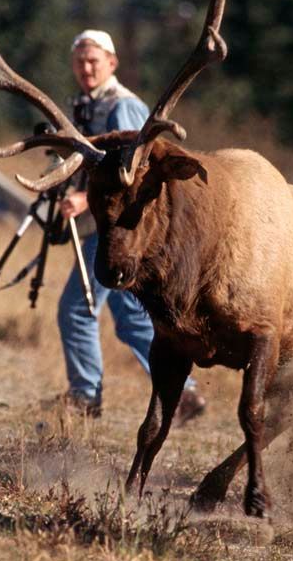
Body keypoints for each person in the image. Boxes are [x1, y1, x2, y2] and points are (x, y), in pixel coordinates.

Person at [56, 30, 207, 421]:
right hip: (113, 230)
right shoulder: (89, 105)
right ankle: (186, 396)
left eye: (94, 60)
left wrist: (84, 199)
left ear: (112, 63)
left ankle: (85, 396)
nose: (86, 67)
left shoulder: (121, 109)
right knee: (130, 318)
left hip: (118, 229)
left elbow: (128, 181)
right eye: (80, 61)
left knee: (76, 309)